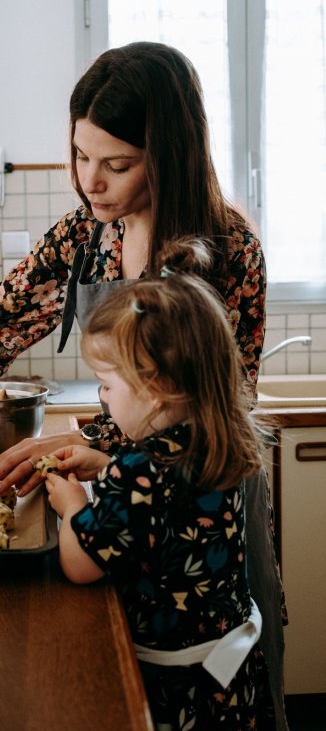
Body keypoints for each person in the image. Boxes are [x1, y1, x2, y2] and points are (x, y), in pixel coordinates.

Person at [0, 41, 288, 728]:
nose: (91, 180)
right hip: (130, 493)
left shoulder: (227, 247)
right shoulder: (85, 238)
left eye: (116, 164)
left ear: (170, 152)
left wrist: (93, 445)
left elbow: (215, 409)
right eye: (81, 156)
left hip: (202, 504)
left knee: (216, 671)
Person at [44, 238, 276, 729]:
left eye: (108, 384)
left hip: (180, 688)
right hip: (232, 677)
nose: (104, 399)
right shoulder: (217, 444)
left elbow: (81, 564)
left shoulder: (138, 472)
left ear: (155, 389)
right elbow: (166, 510)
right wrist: (106, 464)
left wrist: (69, 506)